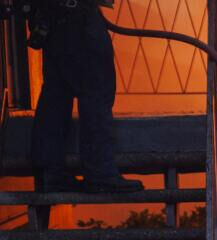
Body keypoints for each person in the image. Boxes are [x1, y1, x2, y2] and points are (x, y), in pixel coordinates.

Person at [30, 0, 143, 193]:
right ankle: (100, 174)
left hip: (51, 19)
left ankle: (51, 175)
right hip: (78, 18)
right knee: (95, 95)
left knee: (56, 97)